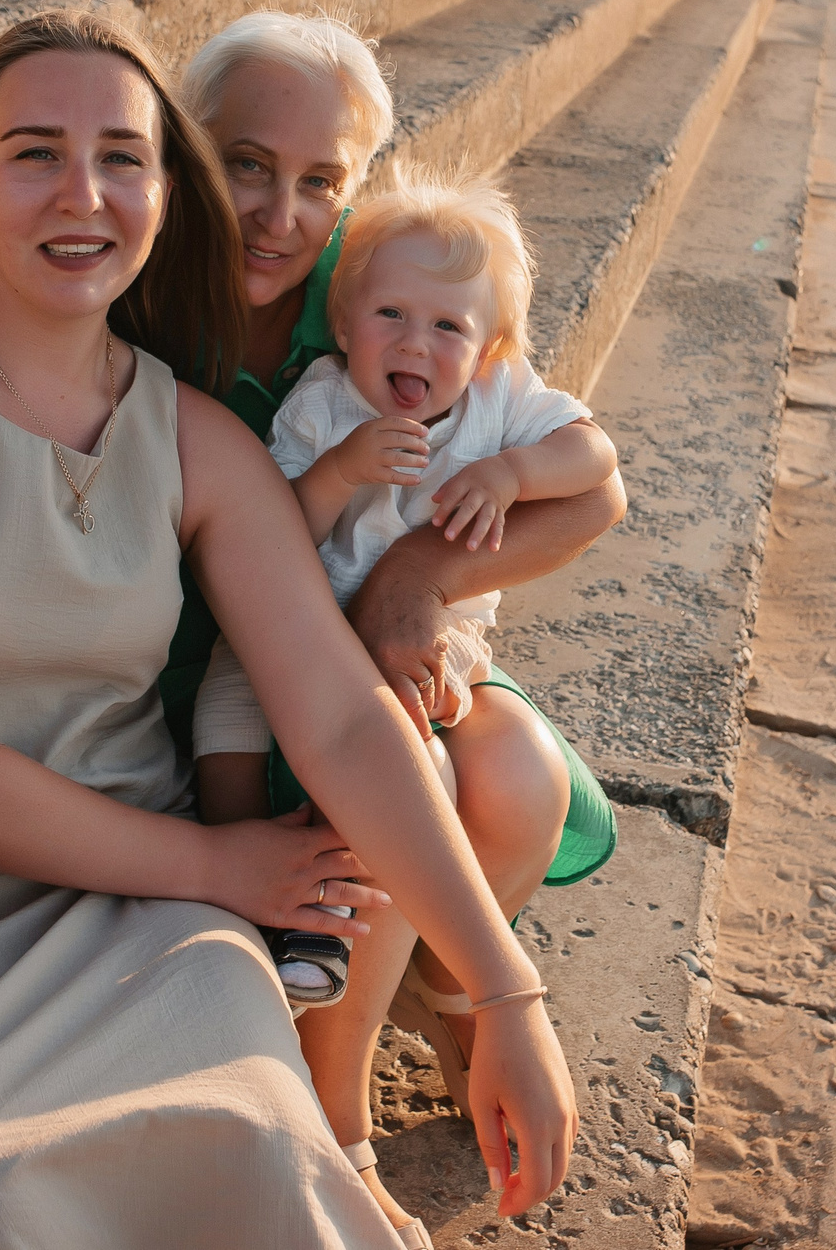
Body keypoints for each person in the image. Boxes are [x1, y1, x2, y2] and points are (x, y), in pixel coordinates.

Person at [0, 11, 623, 1238]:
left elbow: (341, 709)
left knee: (267, 1179)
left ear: (159, 185)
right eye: (34, 152)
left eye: (121, 156)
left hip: (142, 913)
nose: (84, 191)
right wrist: (219, 868)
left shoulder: (203, 435)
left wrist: (508, 991)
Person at [191, 174, 619, 1022]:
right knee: (222, 717)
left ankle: (339, 915)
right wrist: (341, 468)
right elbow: (273, 530)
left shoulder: (501, 400)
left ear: (491, 348)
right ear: (346, 324)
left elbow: (596, 458)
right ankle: (238, 903)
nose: (415, 344)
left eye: (448, 326)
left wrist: (513, 470)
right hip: (295, 627)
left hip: (435, 628)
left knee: (393, 726)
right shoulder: (321, 403)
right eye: (390, 315)